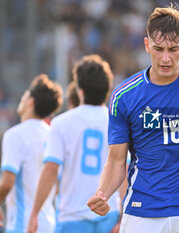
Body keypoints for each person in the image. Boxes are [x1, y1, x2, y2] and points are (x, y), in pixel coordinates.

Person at [87, 5, 179, 233]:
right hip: (142, 211)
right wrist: (103, 194)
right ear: (147, 45)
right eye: (158, 49)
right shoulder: (124, 96)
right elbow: (117, 160)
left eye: (173, 49)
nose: (165, 58)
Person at [27, 55, 121, 233]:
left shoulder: (62, 123)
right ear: (107, 90)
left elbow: (50, 170)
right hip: (108, 214)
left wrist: (35, 213)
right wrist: (123, 215)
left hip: (72, 216)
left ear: (80, 90)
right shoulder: (116, 122)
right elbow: (122, 167)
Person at [0, 74, 63, 233]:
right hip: (48, 223)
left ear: (31, 101)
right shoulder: (53, 134)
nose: (22, 97)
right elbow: (57, 186)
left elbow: (8, 182)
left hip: (23, 224)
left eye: (25, 94)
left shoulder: (15, 135)